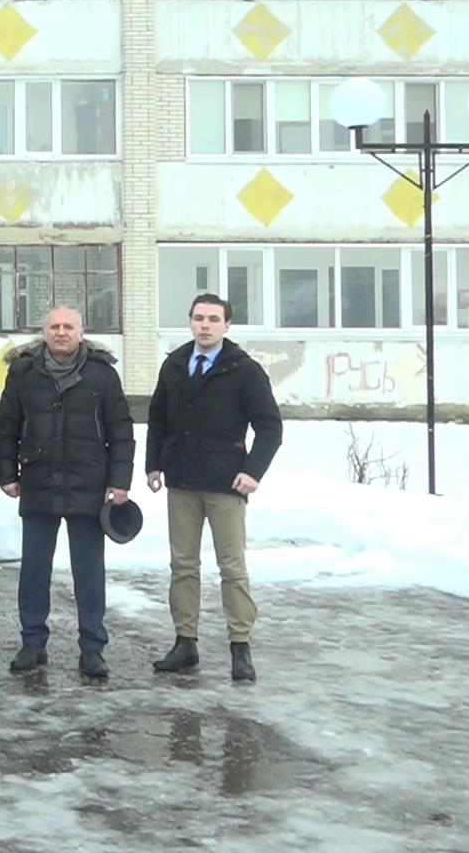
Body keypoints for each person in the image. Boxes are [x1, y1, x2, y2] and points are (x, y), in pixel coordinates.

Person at [146, 292, 283, 684]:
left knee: (232, 568)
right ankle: (185, 642)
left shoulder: (244, 370)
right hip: (183, 482)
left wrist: (253, 472)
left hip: (226, 484)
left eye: (213, 319)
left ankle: (240, 646)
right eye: (198, 318)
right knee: (183, 566)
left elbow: (270, 428)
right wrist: (154, 464)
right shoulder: (174, 365)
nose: (204, 325)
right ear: (190, 322)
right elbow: (157, 420)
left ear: (227, 325)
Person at [0, 305, 135, 679]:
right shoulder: (23, 372)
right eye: (54, 326)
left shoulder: (102, 375)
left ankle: (92, 647)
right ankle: (33, 643)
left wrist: (119, 481)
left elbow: (121, 430)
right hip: (38, 481)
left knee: (88, 571)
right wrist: (6, 472)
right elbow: (7, 426)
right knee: (34, 570)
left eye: (68, 326)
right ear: (45, 333)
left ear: (81, 331)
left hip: (88, 483)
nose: (61, 332)